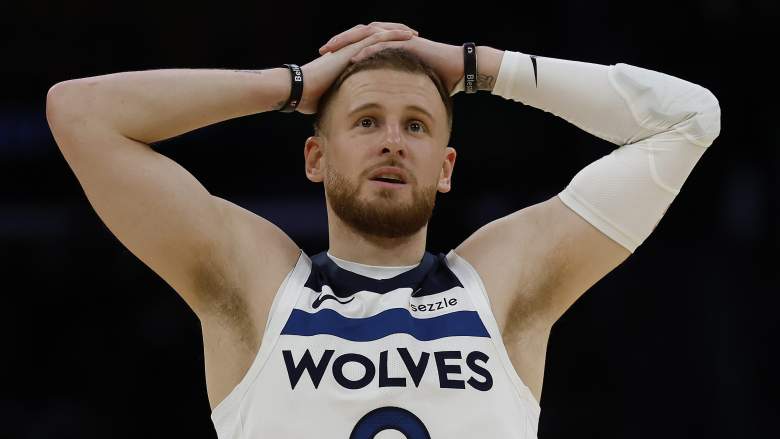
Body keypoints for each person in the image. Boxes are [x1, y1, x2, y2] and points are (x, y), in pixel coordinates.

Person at [46, 21, 720, 438]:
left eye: (416, 125)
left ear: (446, 167)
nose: (392, 141)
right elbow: (78, 113)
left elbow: (691, 120)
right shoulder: (256, 284)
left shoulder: (501, 283)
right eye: (366, 121)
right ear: (316, 156)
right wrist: (290, 85)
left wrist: (477, 67)